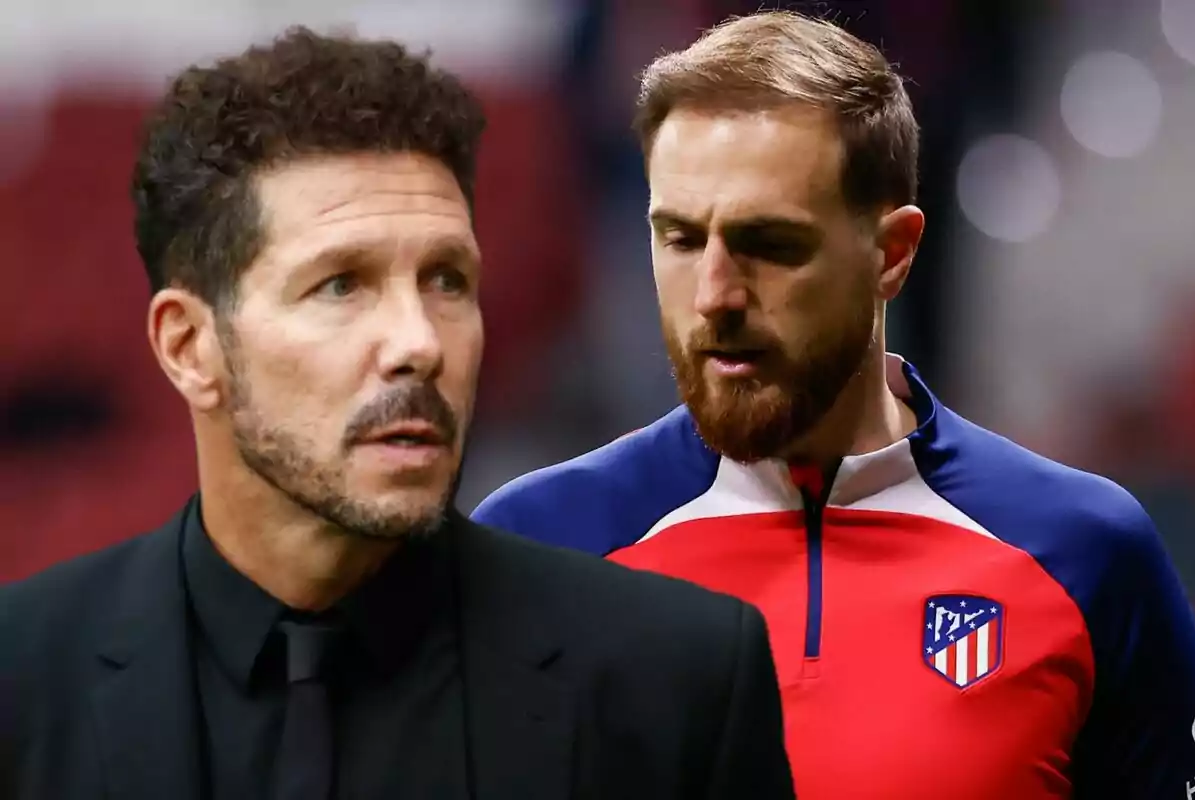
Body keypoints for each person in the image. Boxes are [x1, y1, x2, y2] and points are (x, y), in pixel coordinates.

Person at [0, 28, 795, 800]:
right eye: (341, 285)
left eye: (448, 281)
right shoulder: (20, 681)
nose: (419, 343)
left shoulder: (677, 681)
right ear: (190, 347)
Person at [472, 10, 1195, 799]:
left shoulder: (1085, 552)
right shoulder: (535, 550)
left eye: (772, 242)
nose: (716, 296)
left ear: (890, 254)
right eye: (680, 239)